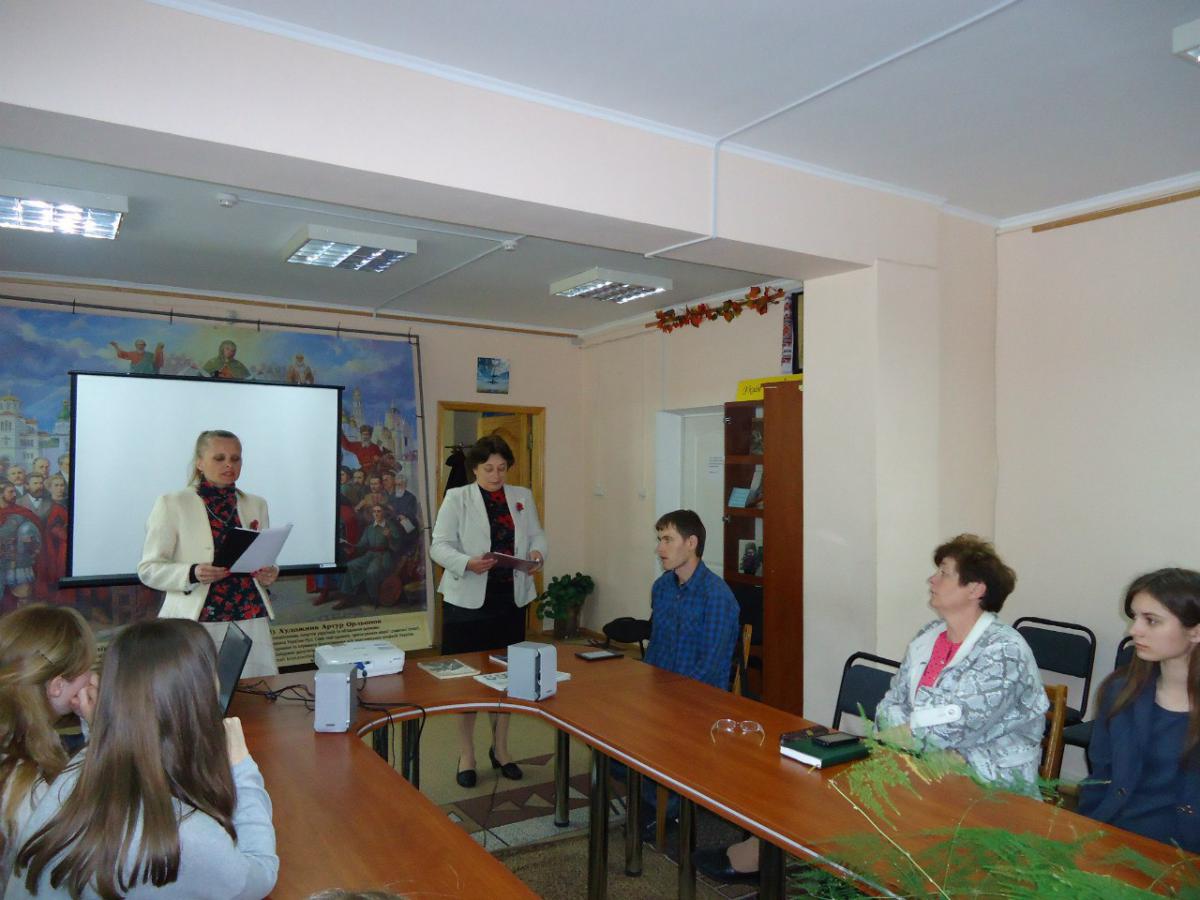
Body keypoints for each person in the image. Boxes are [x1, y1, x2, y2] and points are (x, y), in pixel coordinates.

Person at [698, 533, 1047, 884]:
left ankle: (800, 865)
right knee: (808, 778)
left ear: (976, 589)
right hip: (920, 763)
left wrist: (912, 730)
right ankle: (770, 857)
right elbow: (889, 707)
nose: (932, 580)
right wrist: (913, 729)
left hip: (987, 786)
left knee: (849, 789)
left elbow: (949, 729)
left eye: (944, 572)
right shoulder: (930, 635)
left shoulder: (1003, 651)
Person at [8, 618, 278, 898]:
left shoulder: (75, 773)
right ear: (197, 701)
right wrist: (241, 767)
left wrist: (101, 725)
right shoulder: (185, 836)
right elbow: (260, 875)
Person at [430, 435, 545, 787]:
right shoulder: (458, 497)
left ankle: (501, 749)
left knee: (507, 679)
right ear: (475, 469)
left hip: (509, 601)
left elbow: (537, 536)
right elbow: (439, 546)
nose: (496, 475)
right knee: (466, 682)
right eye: (488, 469)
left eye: (502, 468)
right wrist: (467, 562)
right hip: (467, 602)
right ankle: (466, 755)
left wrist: (537, 555)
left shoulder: (522, 496)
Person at [137, 430, 280, 678]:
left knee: (258, 690)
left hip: (250, 615)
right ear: (200, 463)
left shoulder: (256, 504)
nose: (229, 465)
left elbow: (265, 558)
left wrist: (270, 571)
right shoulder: (172, 503)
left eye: (235, 458)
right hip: (197, 620)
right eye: (219, 458)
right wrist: (193, 573)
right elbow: (148, 570)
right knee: (198, 692)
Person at [1077, 568, 1200, 853]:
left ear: (1195, 631)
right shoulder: (1120, 691)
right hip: (1112, 837)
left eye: (1151, 620)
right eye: (1135, 617)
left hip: (1185, 855)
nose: (1134, 630)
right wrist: (1085, 835)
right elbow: (1100, 776)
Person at [0, 606, 96, 884]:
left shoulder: (17, 743)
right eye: (87, 667)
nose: (91, 676)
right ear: (57, 686)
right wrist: (100, 731)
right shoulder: (27, 785)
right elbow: (85, 845)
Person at [644, 510, 740, 689]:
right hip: (661, 690)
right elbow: (655, 645)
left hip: (699, 696)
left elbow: (709, 667)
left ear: (691, 543)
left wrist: (675, 692)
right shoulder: (661, 587)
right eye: (660, 540)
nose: (659, 549)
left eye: (668, 540)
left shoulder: (717, 596)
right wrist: (646, 683)